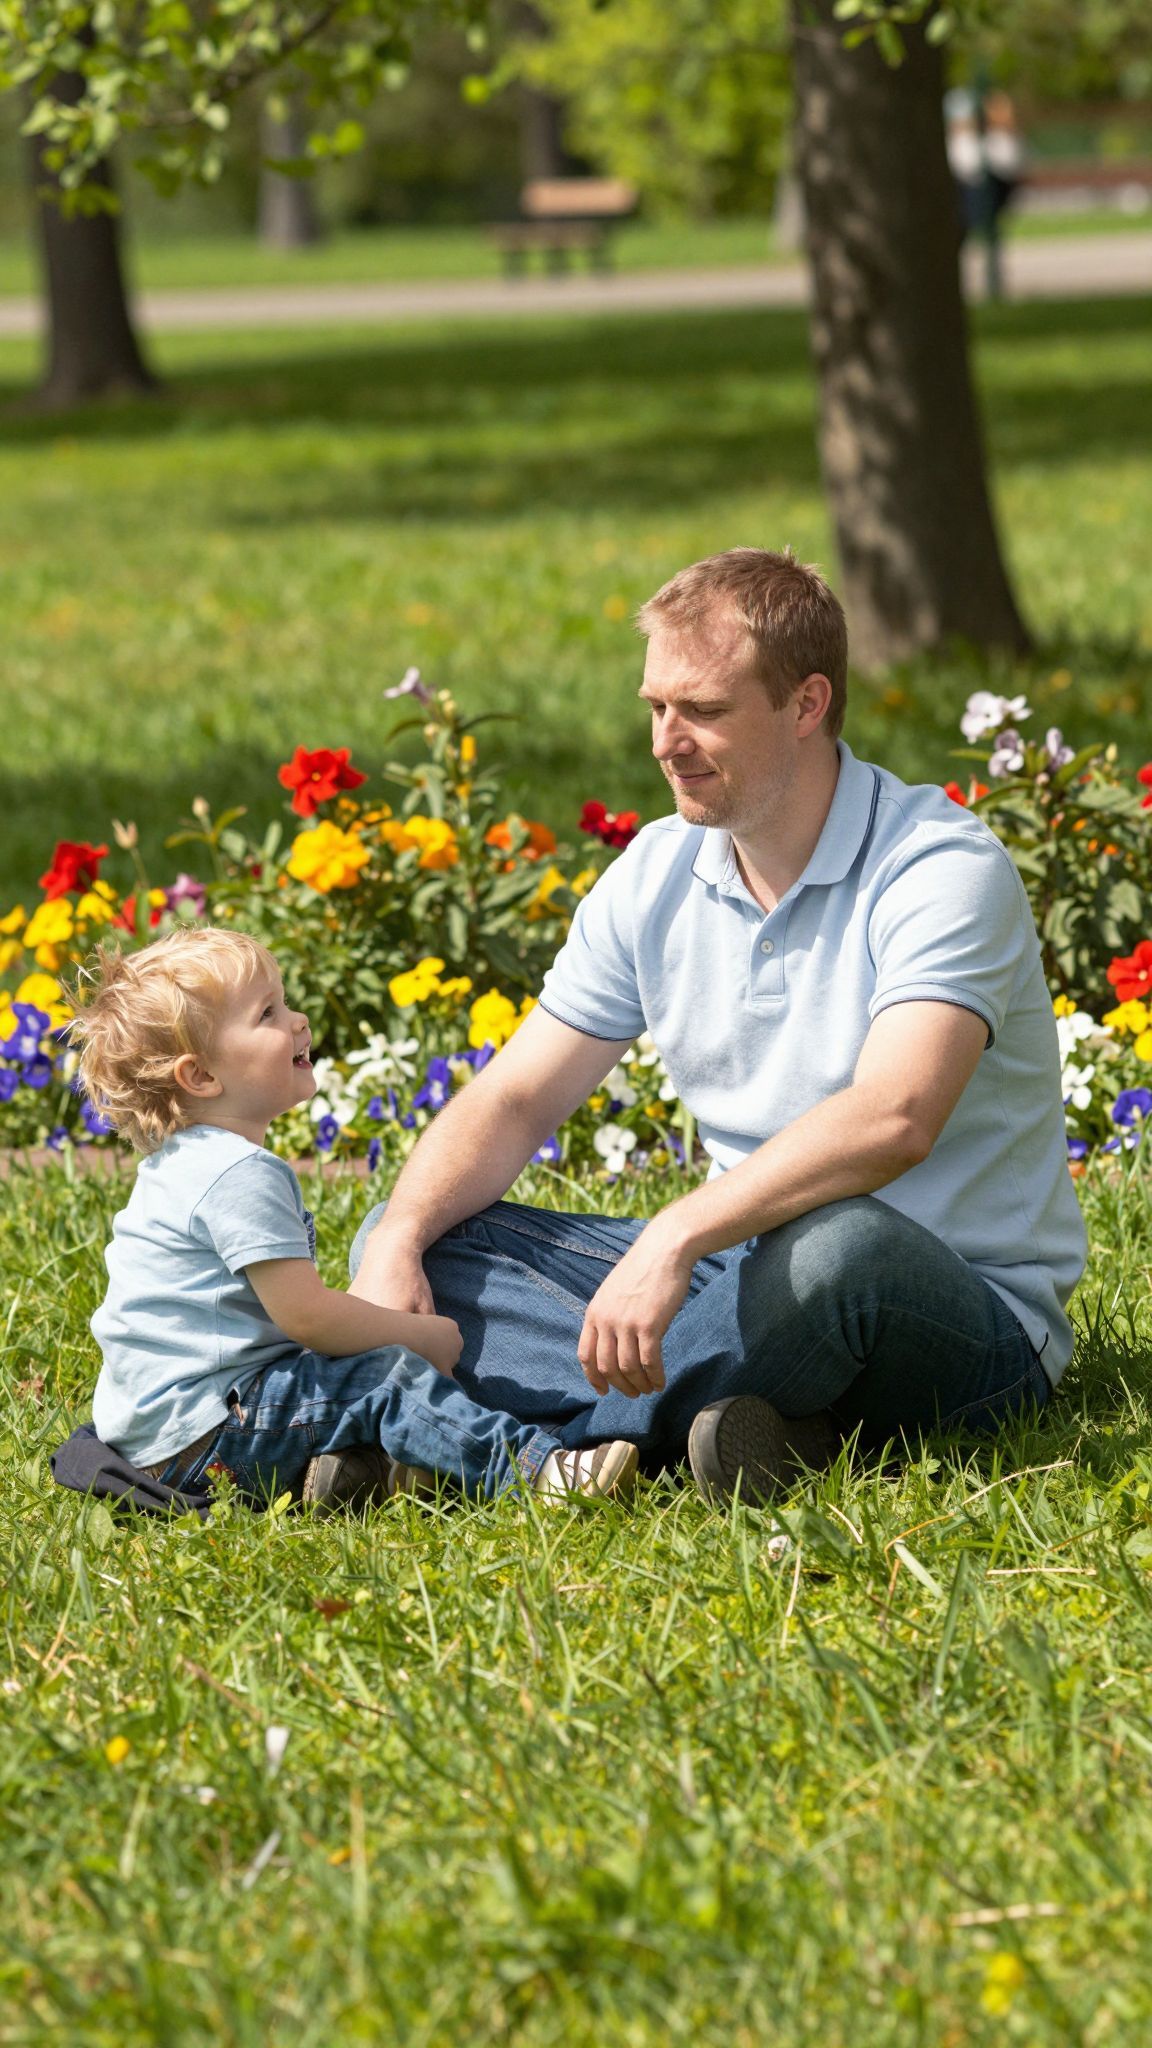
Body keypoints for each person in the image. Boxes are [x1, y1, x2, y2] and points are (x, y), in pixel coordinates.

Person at [347, 547, 1086, 1502]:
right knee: (418, 1240)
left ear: (807, 705)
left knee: (838, 1252)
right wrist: (402, 1235)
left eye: (702, 710)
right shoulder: (657, 871)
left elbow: (896, 1115)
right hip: (730, 1268)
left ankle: (495, 1448)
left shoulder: (939, 867)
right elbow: (521, 1096)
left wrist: (674, 1235)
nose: (665, 740)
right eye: (655, 706)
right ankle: (752, 1433)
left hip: (953, 1310)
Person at [67, 927, 640, 1512]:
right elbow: (309, 1318)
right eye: (267, 1013)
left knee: (342, 1380)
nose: (298, 1020)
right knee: (387, 1379)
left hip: (157, 1435)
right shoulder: (236, 1172)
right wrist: (415, 1336)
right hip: (209, 1434)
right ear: (202, 1077)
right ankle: (542, 1473)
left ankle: (386, 1468)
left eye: (285, 1002)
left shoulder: (183, 1164)